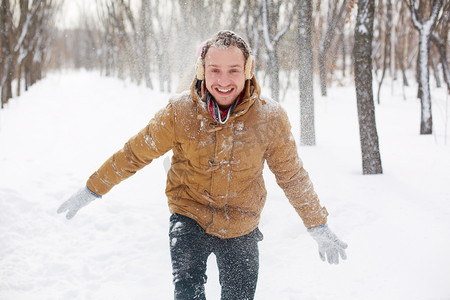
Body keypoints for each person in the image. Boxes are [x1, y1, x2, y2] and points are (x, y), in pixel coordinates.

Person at [57, 30, 347, 300]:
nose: (223, 80)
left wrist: (317, 224)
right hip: (189, 213)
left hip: (242, 222)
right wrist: (92, 189)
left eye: (233, 70)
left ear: (247, 71)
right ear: (201, 70)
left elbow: (292, 176)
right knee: (188, 293)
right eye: (214, 70)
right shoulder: (179, 112)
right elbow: (134, 153)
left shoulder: (269, 119)